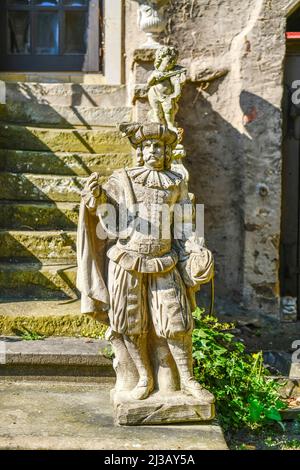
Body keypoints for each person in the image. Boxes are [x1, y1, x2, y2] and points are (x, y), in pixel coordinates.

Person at [77, 122, 214, 403]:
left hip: (165, 261)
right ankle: (143, 377)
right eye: (148, 146)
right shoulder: (122, 179)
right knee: (129, 324)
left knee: (177, 321)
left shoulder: (176, 182)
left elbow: (185, 224)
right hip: (127, 261)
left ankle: (187, 380)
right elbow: (110, 223)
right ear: (139, 151)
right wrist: (96, 199)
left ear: (167, 151)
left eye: (159, 146)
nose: (154, 150)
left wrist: (195, 250)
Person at [147, 46, 187, 133]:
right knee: (157, 111)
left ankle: (170, 125)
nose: (172, 63)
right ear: (160, 60)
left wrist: (176, 91)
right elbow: (149, 83)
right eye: (169, 61)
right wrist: (154, 77)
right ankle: (158, 125)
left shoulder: (173, 73)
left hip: (167, 96)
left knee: (168, 110)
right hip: (154, 93)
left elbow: (176, 84)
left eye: (174, 61)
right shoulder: (156, 72)